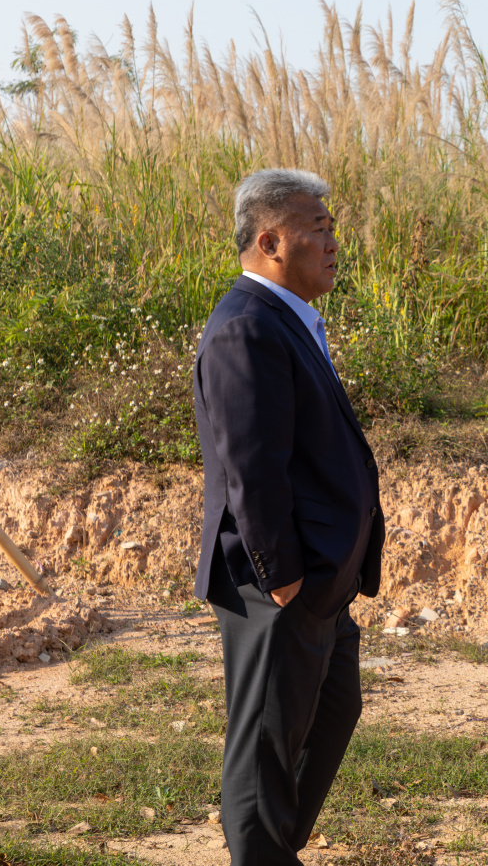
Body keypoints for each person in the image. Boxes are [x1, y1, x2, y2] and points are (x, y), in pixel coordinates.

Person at [193, 169, 383, 865]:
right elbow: (252, 466)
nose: (333, 243)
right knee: (266, 752)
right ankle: (260, 850)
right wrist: (281, 576)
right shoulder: (246, 327)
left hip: (318, 579)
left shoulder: (287, 318)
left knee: (331, 712)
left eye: (332, 228)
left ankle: (271, 851)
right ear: (270, 241)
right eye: (318, 229)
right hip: (276, 581)